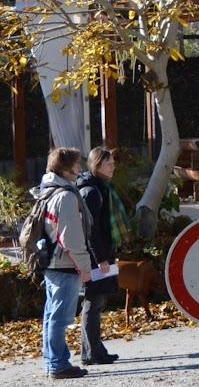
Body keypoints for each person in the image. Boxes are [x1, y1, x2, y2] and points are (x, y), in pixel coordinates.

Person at [36, 147, 92, 380]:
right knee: (60, 318)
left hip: (50, 262)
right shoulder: (67, 196)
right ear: (66, 168)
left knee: (51, 316)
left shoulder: (47, 191)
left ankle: (52, 362)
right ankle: (59, 365)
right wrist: (85, 267)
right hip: (64, 264)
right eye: (77, 163)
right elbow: (71, 238)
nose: (80, 167)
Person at [77, 147, 126, 366]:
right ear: (97, 165)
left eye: (113, 163)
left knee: (96, 302)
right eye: (108, 164)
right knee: (93, 302)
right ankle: (92, 352)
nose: (113, 167)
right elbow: (91, 230)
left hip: (100, 253)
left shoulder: (101, 188)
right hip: (95, 256)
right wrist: (100, 258)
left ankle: (92, 350)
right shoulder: (92, 191)